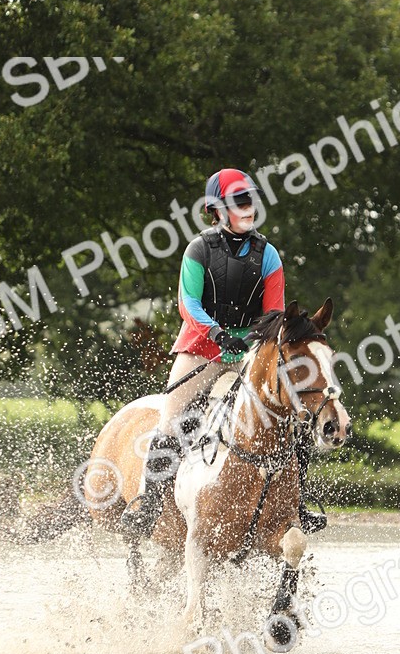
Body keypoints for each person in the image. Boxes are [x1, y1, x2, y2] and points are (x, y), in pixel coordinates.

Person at [120, 167, 326, 538]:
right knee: (170, 420)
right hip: (201, 349)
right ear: (218, 209)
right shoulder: (198, 250)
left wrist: (248, 337)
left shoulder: (269, 255)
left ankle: (298, 503)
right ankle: (148, 507)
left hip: (250, 350)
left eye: (252, 201)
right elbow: (189, 304)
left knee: (290, 417)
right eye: (241, 202)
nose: (250, 208)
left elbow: (274, 312)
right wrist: (217, 333)